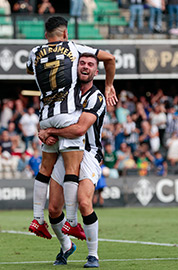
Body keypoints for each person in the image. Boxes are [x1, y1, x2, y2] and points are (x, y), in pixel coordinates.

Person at [27, 16, 117, 239]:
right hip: (66, 116)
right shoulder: (73, 47)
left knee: (44, 169)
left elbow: (32, 70)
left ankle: (37, 219)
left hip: (45, 117)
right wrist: (109, 85)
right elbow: (109, 57)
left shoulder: (34, 52)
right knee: (71, 169)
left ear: (45, 34)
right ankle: (72, 222)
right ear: (65, 33)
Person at [39, 53, 105, 267]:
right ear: (76, 68)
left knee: (84, 202)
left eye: (91, 64)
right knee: (53, 209)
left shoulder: (97, 97)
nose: (85, 67)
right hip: (65, 151)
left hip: (88, 155)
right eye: (82, 63)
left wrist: (50, 131)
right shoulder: (65, 94)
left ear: (96, 71)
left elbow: (79, 129)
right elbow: (50, 117)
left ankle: (93, 255)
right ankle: (67, 245)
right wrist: (44, 131)